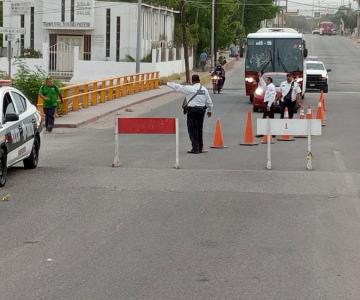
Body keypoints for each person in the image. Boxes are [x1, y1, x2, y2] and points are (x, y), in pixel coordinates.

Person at [167, 74, 213, 154]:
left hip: (192, 111)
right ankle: (200, 147)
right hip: (201, 111)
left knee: (192, 129)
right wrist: (209, 111)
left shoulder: (190, 89)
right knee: (199, 129)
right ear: (199, 80)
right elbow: (209, 102)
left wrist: (168, 83)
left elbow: (178, 87)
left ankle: (195, 148)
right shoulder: (204, 89)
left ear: (192, 81)